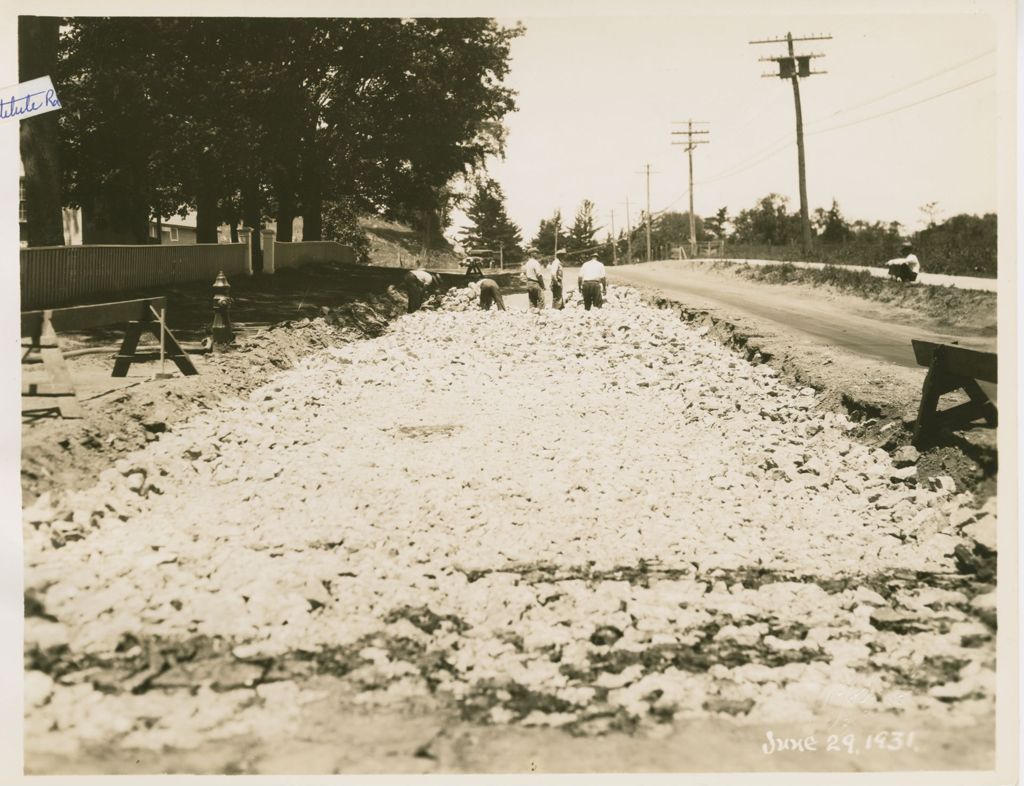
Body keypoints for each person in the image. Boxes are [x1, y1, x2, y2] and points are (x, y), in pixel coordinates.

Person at [522, 246, 546, 310]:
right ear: (532, 254)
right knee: (541, 300)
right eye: (536, 253)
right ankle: (541, 315)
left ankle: (532, 315)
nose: (537, 254)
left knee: (532, 301)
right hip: (535, 283)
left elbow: (524, 274)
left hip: (528, 283)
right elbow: (539, 275)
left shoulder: (527, 263)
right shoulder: (535, 263)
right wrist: (542, 285)